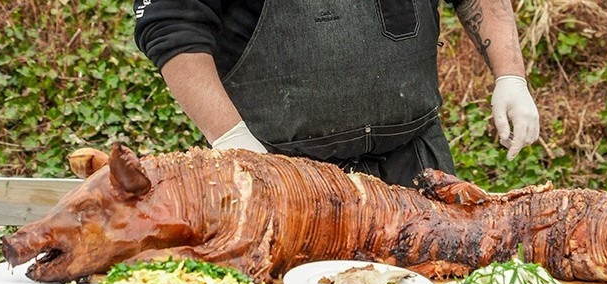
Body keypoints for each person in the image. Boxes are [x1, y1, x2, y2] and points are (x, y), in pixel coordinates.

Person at [132, 0, 540, 187]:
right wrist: (232, 141)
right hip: (280, 175)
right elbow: (172, 26)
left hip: (415, 167)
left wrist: (511, 77)